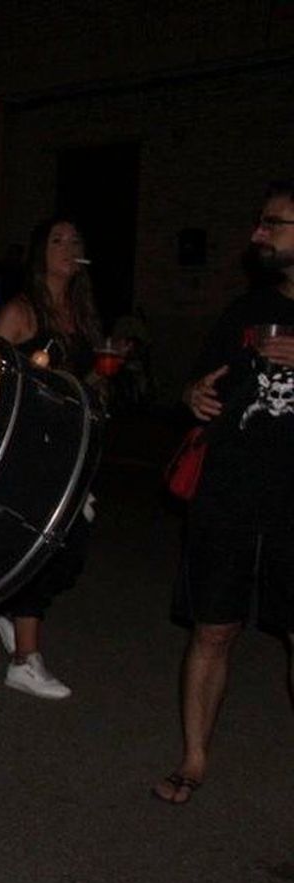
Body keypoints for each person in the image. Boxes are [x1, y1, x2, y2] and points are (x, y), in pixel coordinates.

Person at [153, 179, 294, 805]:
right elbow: (197, 383)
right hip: (228, 492)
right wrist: (193, 396)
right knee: (213, 630)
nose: (257, 234)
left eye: (273, 224)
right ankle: (193, 759)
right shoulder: (244, 310)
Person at [0, 218, 103, 699]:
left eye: (75, 240)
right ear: (41, 252)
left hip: (73, 442)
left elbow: (83, 378)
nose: (68, 247)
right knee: (46, 543)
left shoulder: (82, 311)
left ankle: (5, 602)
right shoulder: (22, 311)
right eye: (58, 241)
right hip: (31, 444)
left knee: (71, 550)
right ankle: (25, 658)